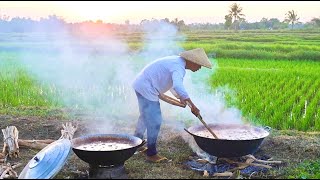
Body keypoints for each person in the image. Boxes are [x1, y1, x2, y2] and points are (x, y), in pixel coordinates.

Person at [132, 48, 212, 163]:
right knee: (155, 120)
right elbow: (178, 86)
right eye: (199, 65)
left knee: (145, 116)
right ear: (193, 62)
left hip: (141, 85)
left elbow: (172, 85)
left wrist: (181, 98)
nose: (199, 68)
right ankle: (151, 154)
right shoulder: (178, 67)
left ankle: (137, 144)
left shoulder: (177, 63)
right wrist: (193, 106)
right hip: (146, 88)